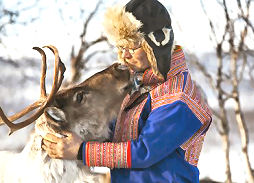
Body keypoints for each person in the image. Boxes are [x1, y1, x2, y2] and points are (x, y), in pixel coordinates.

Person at [42, 0, 212, 182]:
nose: (124, 55)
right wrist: (70, 135)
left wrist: (82, 151)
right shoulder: (138, 88)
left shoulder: (179, 98)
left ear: (156, 45)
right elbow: (115, 138)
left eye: (132, 47)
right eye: (120, 47)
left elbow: (144, 151)